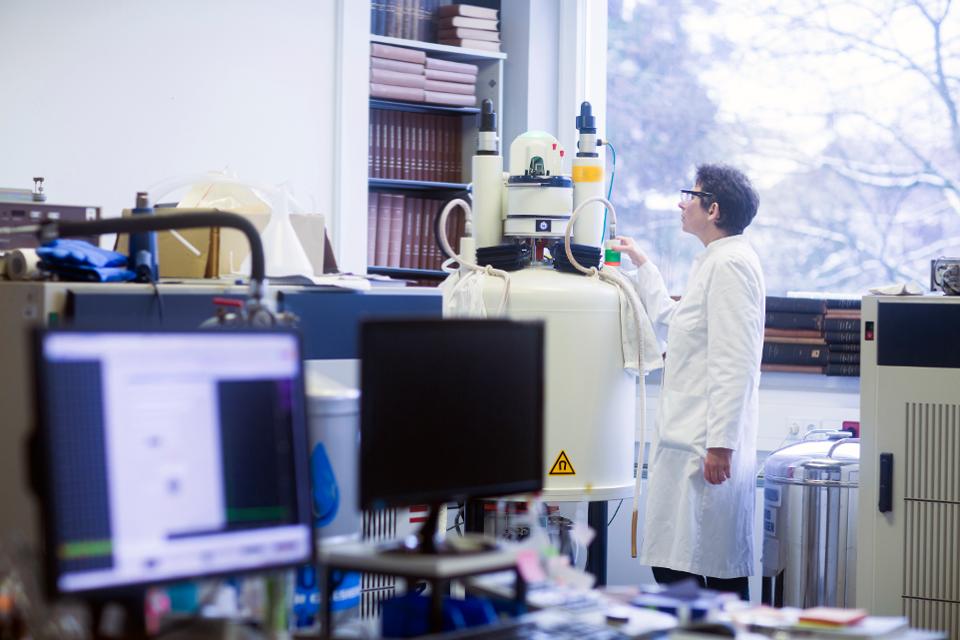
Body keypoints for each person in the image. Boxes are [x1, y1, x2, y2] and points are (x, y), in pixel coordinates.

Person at [609, 164, 765, 600]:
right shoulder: (716, 261)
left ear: (712, 209)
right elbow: (680, 321)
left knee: (703, 573)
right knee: (680, 565)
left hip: (704, 445)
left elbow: (735, 360)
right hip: (689, 439)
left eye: (689, 196)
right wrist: (644, 266)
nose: (681, 203)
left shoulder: (731, 264)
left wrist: (721, 444)